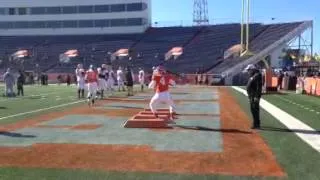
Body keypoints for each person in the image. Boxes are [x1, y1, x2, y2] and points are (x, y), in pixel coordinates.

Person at [244, 64, 263, 129]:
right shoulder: (253, 75)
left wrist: (256, 96)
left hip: (254, 95)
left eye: (249, 70)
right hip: (251, 95)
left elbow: (259, 87)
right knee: (253, 109)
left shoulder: (257, 75)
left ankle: (256, 124)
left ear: (252, 69)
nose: (248, 71)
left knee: (255, 110)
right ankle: (255, 123)